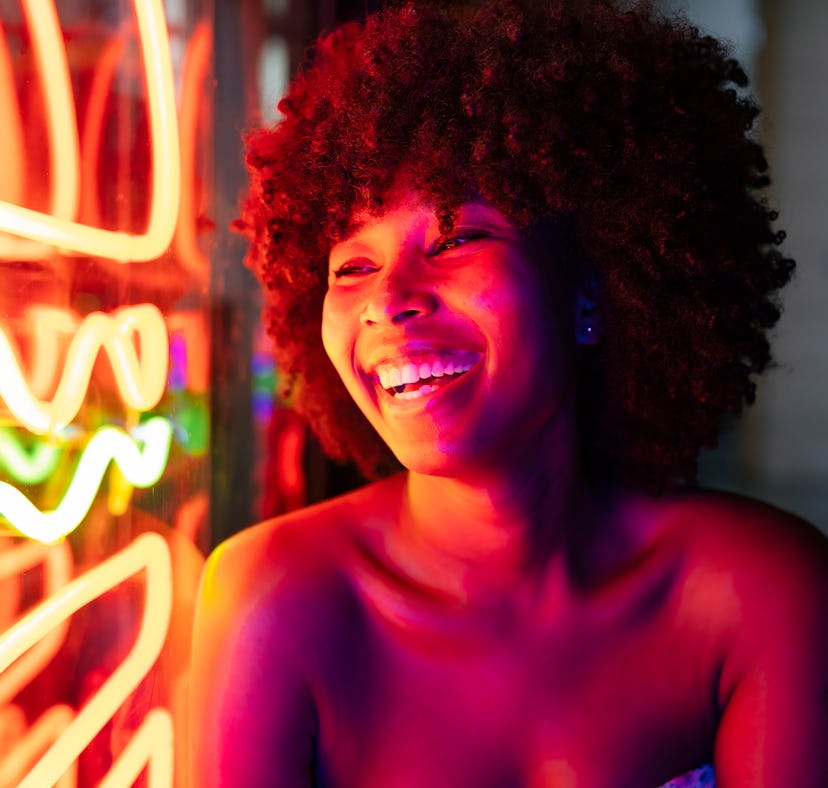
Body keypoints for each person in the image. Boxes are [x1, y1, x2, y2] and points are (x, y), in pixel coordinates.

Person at [190, 1, 828, 785]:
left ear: (590, 293)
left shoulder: (760, 589)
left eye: (457, 239)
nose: (388, 301)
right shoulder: (273, 598)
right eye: (351, 266)